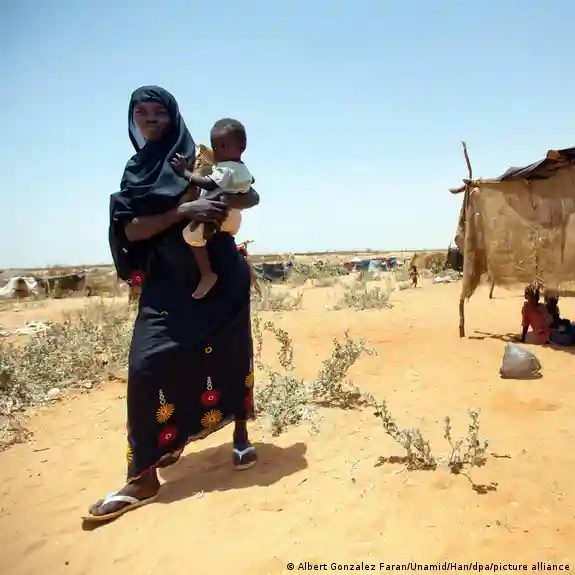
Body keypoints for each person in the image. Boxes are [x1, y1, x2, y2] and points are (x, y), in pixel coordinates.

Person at [84, 86, 260, 523]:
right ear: (132, 120)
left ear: (173, 115)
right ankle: (143, 477)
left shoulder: (199, 157)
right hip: (164, 287)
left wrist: (217, 201)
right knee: (147, 367)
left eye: (158, 112)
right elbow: (130, 230)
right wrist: (183, 212)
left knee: (231, 356)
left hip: (220, 280)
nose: (149, 119)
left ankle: (240, 436)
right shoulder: (136, 171)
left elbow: (250, 195)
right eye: (140, 112)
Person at [170, 118, 254, 299]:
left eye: (216, 148)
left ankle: (207, 273)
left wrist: (185, 173)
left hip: (217, 214)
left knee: (190, 236)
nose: (214, 152)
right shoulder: (244, 170)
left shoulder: (225, 169)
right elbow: (249, 188)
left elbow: (208, 184)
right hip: (234, 218)